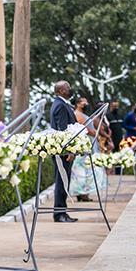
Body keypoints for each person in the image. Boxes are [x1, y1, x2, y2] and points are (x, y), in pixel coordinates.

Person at [68, 97, 108, 201]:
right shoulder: (77, 114)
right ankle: (80, 192)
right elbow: (81, 127)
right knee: (81, 168)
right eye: (83, 102)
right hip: (84, 143)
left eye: (86, 101)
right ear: (78, 104)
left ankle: (84, 193)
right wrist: (94, 132)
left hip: (90, 142)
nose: (86, 103)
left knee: (87, 168)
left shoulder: (84, 115)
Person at [50, 81, 78, 223]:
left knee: (64, 181)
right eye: (67, 88)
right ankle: (59, 214)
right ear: (61, 91)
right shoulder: (60, 105)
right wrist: (69, 150)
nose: (70, 89)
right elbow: (63, 130)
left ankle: (63, 212)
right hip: (63, 152)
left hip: (63, 151)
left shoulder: (63, 103)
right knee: (61, 182)